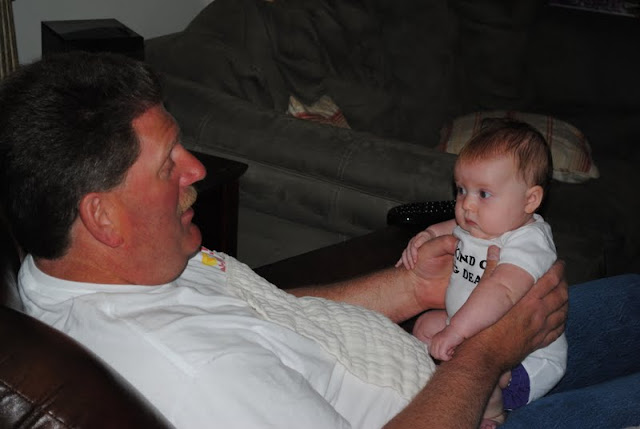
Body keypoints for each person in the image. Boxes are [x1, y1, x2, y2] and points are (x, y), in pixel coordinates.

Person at [0, 52, 636, 429]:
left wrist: (411, 287)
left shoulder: (103, 266)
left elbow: (268, 313)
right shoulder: (198, 375)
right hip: (464, 401)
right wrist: (489, 353)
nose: (196, 169)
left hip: (448, 358)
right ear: (104, 217)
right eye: (169, 164)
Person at [397, 120, 567, 427]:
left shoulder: (529, 241)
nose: (467, 205)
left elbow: (502, 290)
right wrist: (426, 235)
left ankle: (493, 414)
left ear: (530, 200)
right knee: (424, 326)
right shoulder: (482, 223)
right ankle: (427, 382)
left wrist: (456, 331)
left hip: (523, 360)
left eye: (484, 194)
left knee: (470, 360)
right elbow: (451, 227)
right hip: (469, 326)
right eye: (462, 190)